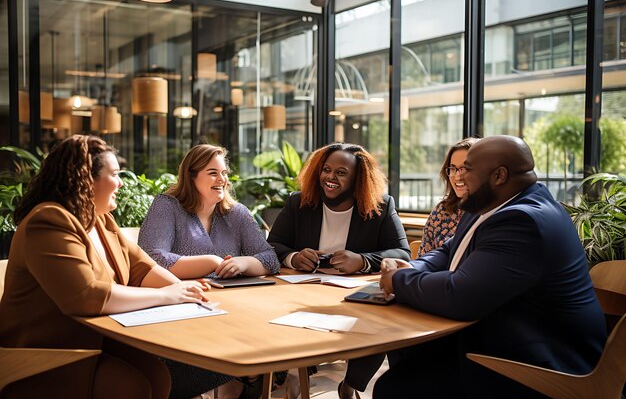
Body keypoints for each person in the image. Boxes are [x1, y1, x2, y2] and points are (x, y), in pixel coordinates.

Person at [376, 135, 608, 399]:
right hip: (503, 338)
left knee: (395, 388)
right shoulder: (492, 204)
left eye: (468, 169)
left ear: (499, 175)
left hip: (539, 364)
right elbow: (450, 250)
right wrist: (412, 267)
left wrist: (398, 280)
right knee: (405, 360)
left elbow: (460, 296)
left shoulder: (524, 221)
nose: (459, 178)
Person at [0, 135, 210, 399]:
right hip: (46, 352)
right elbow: (85, 296)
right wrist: (166, 296)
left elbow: (141, 268)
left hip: (96, 338)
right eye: (115, 174)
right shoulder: (48, 220)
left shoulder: (101, 221)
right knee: (131, 386)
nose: (121, 183)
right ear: (86, 180)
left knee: (157, 375)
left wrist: (184, 290)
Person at [268, 142, 411, 399]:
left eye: (341, 172)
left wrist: (363, 261)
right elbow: (271, 246)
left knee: (381, 320)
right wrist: (293, 257)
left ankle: (351, 384)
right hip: (298, 294)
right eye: (326, 170)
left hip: (353, 298)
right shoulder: (298, 203)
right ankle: (292, 375)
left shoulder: (380, 206)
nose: (330, 177)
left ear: (358, 179)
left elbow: (401, 253)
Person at [138, 144, 280, 399]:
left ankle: (247, 378)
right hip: (184, 315)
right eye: (212, 172)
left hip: (235, 311)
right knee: (259, 355)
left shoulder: (236, 213)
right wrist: (213, 261)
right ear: (191, 176)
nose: (222, 180)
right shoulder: (167, 206)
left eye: (224, 173)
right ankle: (247, 377)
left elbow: (270, 258)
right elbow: (151, 259)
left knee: (271, 340)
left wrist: (245, 263)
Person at [417, 137, 478, 257]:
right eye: (453, 169)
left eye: (464, 168)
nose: (457, 177)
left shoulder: (490, 213)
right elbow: (422, 259)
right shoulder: (441, 211)